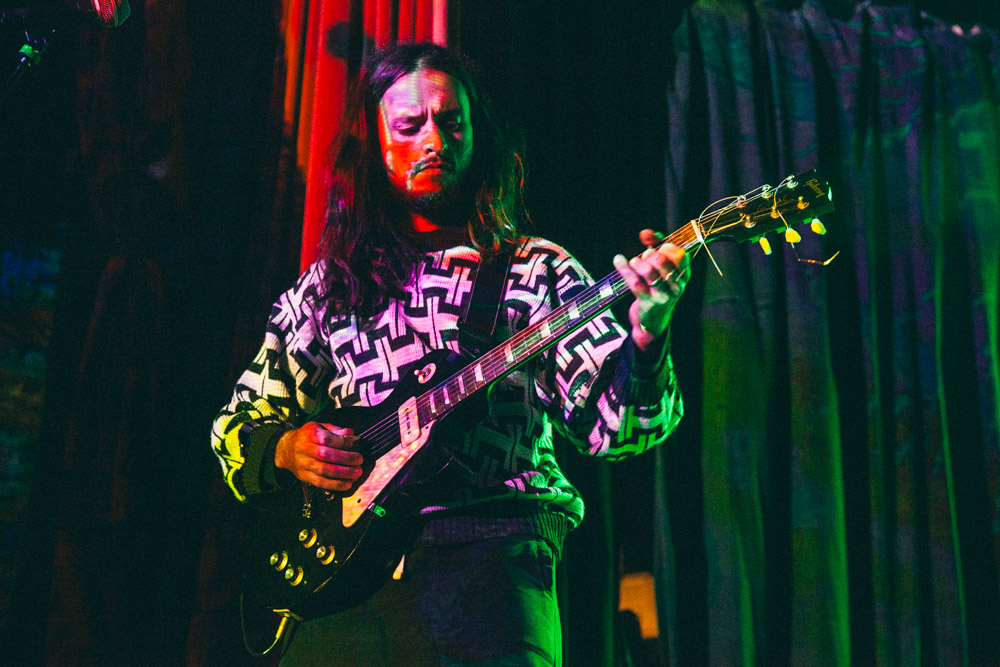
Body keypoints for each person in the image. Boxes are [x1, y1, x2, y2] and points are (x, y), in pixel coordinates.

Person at [211, 42, 689, 666]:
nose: (433, 139)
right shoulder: (329, 288)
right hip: (337, 592)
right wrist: (286, 448)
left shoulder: (537, 271)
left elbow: (617, 431)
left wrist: (648, 340)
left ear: (475, 134)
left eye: (450, 121)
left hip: (490, 573)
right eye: (410, 126)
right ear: (374, 145)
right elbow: (233, 428)